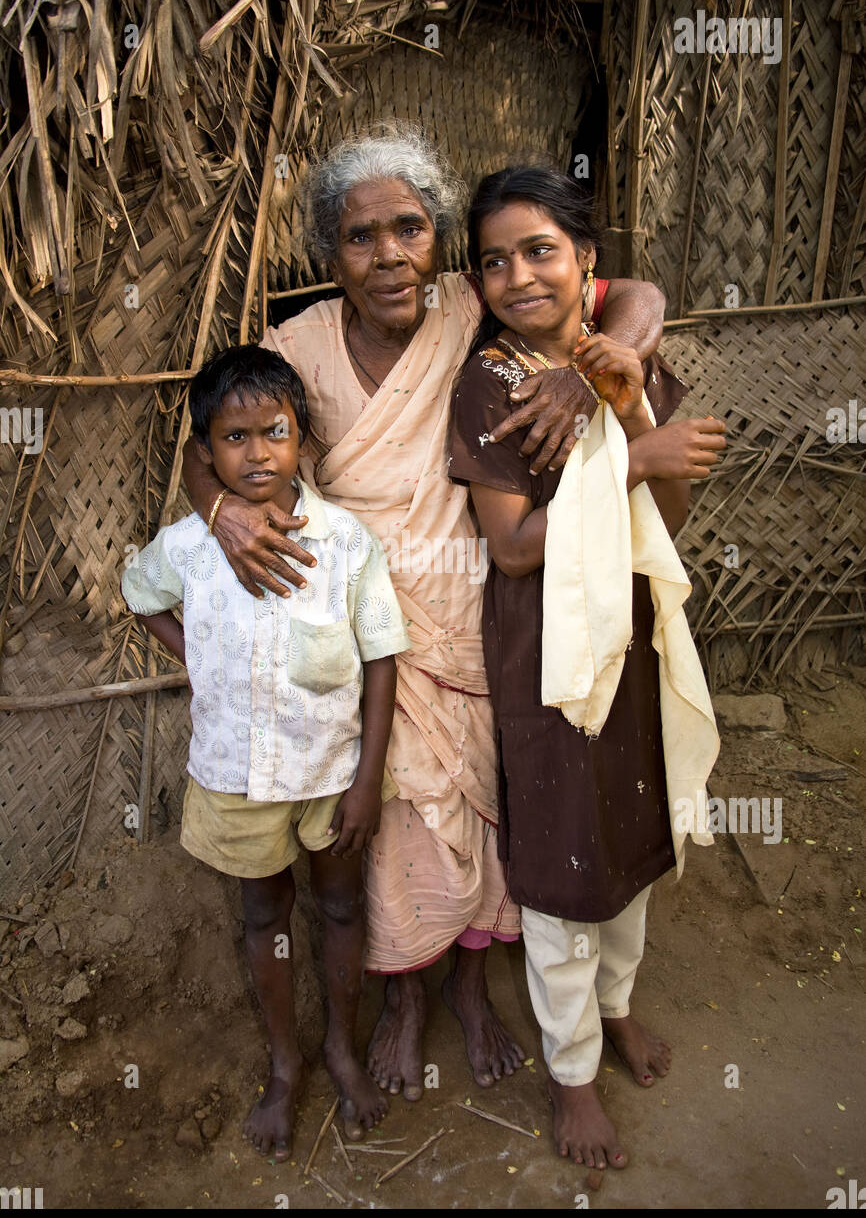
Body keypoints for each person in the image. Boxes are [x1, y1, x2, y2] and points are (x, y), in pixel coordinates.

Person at [180, 125, 669, 1102]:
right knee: (399, 835)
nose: (389, 254)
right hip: (369, 646)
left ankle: (472, 988)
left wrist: (585, 369)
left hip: (483, 628)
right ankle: (404, 1001)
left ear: (438, 244)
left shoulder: (473, 306)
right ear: (332, 253)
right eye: (362, 236)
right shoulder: (296, 348)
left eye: (409, 229)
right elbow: (215, 447)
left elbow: (635, 297)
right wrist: (223, 507)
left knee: (491, 821)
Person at [448, 165, 725, 1168]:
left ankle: (613, 1011)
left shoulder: (624, 361)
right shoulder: (488, 382)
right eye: (492, 260)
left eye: (539, 250)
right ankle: (570, 1072)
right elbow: (514, 546)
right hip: (546, 660)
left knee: (633, 834)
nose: (517, 274)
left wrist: (636, 420)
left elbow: (671, 521)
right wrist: (633, 463)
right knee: (565, 861)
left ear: (587, 264)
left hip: (634, 644)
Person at [121, 346, 410, 1160]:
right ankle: (286, 1065)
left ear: (302, 442)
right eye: (233, 437)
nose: (256, 454)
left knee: (343, 906)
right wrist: (197, 656)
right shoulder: (188, 544)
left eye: (274, 433)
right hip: (236, 780)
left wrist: (366, 782)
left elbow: (382, 658)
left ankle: (341, 1048)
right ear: (204, 455)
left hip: (332, 773)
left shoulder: (347, 541)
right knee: (264, 916)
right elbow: (137, 592)